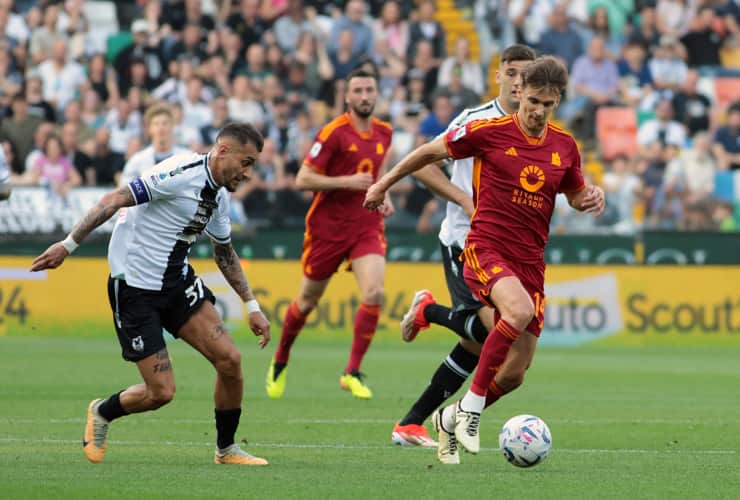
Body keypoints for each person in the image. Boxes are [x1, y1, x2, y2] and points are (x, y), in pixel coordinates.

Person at [364, 56, 605, 464]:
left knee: (514, 372)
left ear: (557, 101)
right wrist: (383, 184)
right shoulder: (488, 131)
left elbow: (575, 192)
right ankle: (471, 411)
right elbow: (426, 152)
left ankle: (450, 418)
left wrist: (591, 197)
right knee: (517, 311)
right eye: (532, 100)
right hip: (485, 247)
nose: (537, 111)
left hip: (530, 260)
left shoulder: (564, 145)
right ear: (519, 93)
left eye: (547, 104)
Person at [30, 123, 272, 466]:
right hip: (135, 289)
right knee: (161, 393)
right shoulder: (178, 172)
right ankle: (102, 411)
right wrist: (68, 246)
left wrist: (252, 306)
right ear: (223, 152)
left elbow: (224, 254)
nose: (249, 173)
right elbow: (115, 199)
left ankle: (226, 449)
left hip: (176, 284)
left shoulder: (218, 195)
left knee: (230, 361)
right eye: (246, 162)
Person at [390, 44, 537, 448]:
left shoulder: (536, 128)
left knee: (497, 356)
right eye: (512, 72)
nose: (518, 80)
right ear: (499, 76)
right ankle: (430, 312)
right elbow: (421, 163)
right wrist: (464, 199)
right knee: (500, 329)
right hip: (465, 243)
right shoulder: (476, 120)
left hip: (511, 251)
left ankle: (412, 423)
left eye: (526, 74)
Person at [265, 68, 394, 400]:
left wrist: (384, 195)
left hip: (365, 226)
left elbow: (376, 174)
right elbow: (303, 179)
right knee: (307, 301)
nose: (365, 96)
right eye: (358, 91)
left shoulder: (385, 133)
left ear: (376, 94)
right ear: (347, 96)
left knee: (375, 292)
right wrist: (346, 182)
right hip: (328, 228)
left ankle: (351, 372)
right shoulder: (334, 132)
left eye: (370, 90)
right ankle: (280, 360)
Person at [119, 103, 191, 186]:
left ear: (172, 126)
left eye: (165, 123)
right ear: (149, 128)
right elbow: (124, 189)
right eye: (156, 124)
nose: (161, 128)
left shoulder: (186, 157)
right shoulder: (137, 160)